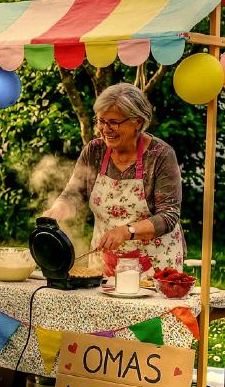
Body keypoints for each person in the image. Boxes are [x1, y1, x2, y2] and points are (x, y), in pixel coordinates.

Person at [44, 82, 185, 273]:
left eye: (113, 122)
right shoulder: (94, 151)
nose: (105, 129)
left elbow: (168, 216)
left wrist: (127, 231)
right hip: (105, 259)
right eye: (101, 121)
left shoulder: (160, 155)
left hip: (156, 263)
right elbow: (73, 194)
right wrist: (58, 209)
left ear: (137, 122)